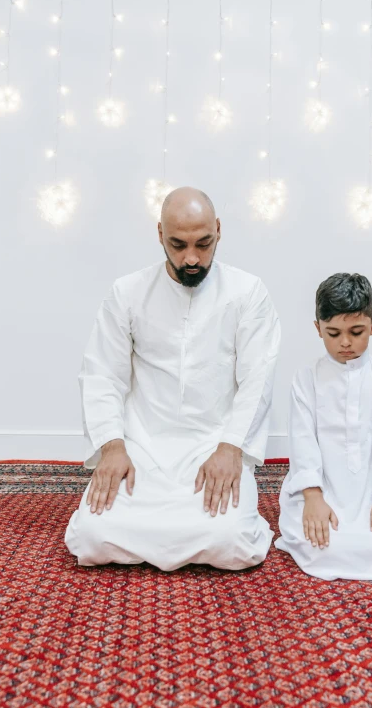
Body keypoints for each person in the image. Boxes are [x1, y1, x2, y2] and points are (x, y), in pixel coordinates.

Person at [65, 187, 281, 571]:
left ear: (219, 230)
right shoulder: (127, 292)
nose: (192, 258)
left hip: (213, 445)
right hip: (142, 446)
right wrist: (112, 447)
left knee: (231, 543)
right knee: (91, 539)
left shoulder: (248, 293)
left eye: (204, 243)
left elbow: (257, 379)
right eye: (178, 245)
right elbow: (102, 374)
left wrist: (230, 449)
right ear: (159, 233)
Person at [275, 273, 372, 581]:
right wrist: (313, 498)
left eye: (357, 331)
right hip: (321, 487)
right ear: (318, 329)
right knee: (322, 545)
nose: (345, 342)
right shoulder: (306, 379)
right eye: (333, 332)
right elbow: (302, 443)